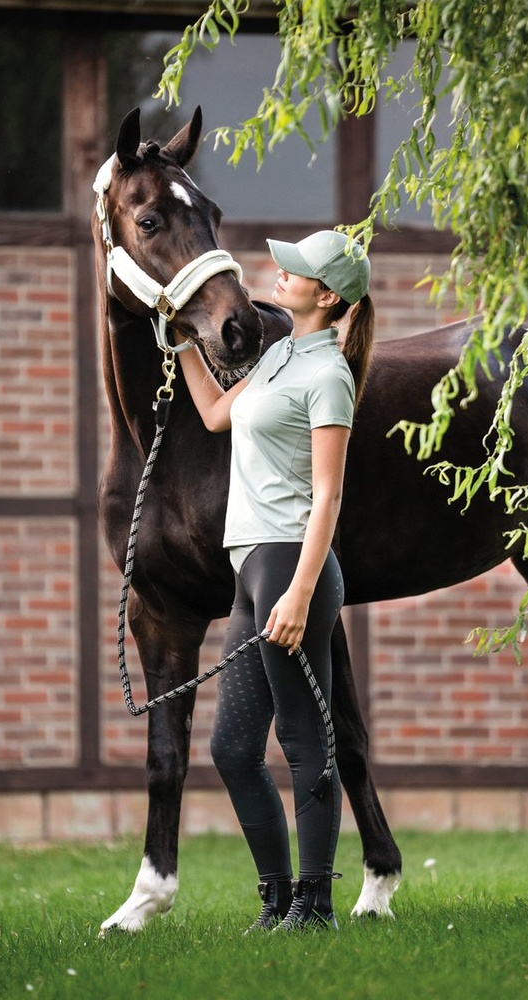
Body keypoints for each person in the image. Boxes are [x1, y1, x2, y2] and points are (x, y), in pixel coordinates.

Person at [176, 230, 374, 932]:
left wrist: (299, 592)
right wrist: (181, 342)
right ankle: (277, 900)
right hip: (251, 568)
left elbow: (329, 496)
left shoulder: (329, 376)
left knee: (301, 738)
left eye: (295, 270)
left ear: (329, 296)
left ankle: (314, 905)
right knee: (232, 750)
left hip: (291, 566)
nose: (279, 273)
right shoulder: (279, 354)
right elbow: (214, 414)